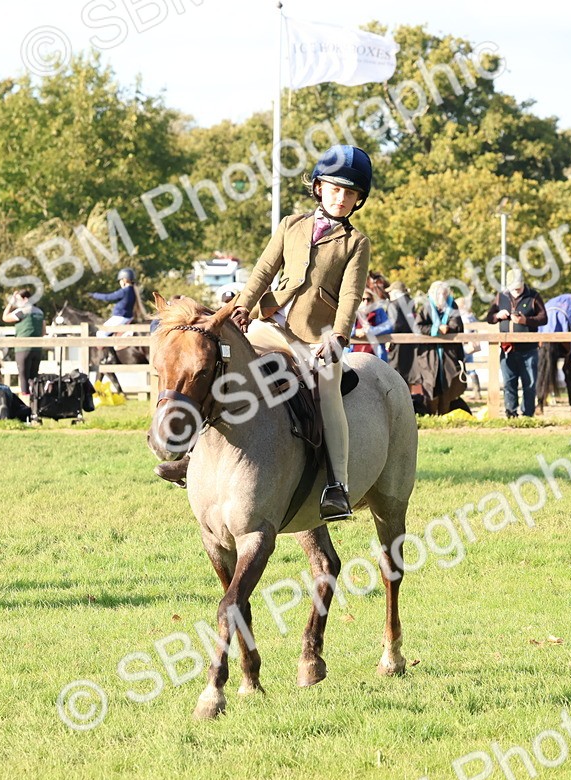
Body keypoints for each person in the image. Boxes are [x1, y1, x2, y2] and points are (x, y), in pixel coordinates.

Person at [158, 144, 374, 521]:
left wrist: (339, 336)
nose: (341, 198)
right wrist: (242, 306)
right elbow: (263, 270)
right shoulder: (291, 225)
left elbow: (350, 295)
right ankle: (192, 455)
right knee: (222, 367)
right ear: (319, 187)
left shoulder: (356, 243)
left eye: (350, 193)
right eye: (335, 189)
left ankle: (336, 486)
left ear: (358, 200)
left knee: (328, 396)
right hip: (271, 325)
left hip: (317, 337)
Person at [487, 269, 547, 417]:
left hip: (529, 349)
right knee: (509, 383)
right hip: (507, 348)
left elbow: (543, 318)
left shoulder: (534, 296)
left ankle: (528, 414)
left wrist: (525, 320)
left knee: (530, 384)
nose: (517, 290)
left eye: (519, 287)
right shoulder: (500, 297)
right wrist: (497, 315)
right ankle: (511, 413)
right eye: (514, 288)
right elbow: (489, 317)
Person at [411, 281, 468, 415]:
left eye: (445, 294)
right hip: (429, 354)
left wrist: (448, 328)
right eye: (440, 294)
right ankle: (430, 415)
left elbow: (457, 325)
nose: (442, 296)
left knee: (448, 385)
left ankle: (444, 414)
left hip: (448, 354)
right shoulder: (426, 307)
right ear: (433, 294)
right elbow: (417, 327)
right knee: (430, 385)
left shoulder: (452, 305)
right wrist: (435, 329)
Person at [2, 288, 45, 398]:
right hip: (37, 348)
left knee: (23, 376)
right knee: (34, 377)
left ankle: (25, 400)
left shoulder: (22, 311)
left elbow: (5, 317)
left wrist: (10, 303)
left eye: (18, 299)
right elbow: (43, 331)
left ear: (25, 299)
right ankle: (35, 399)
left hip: (23, 348)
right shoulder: (40, 312)